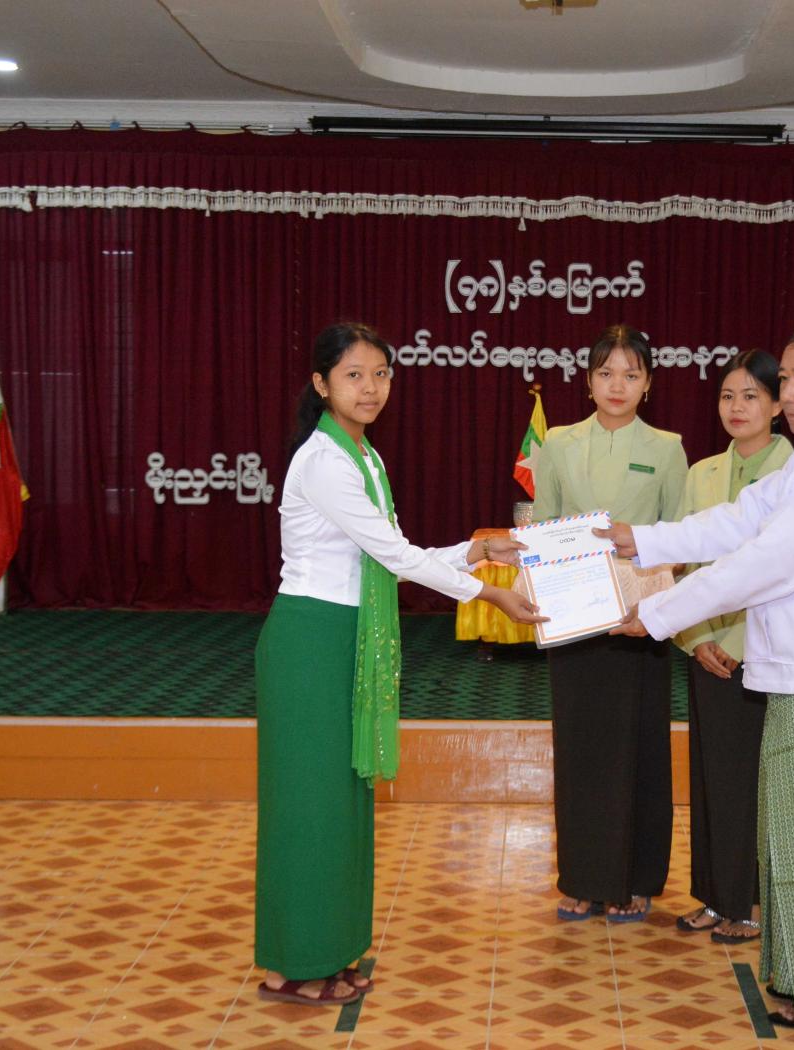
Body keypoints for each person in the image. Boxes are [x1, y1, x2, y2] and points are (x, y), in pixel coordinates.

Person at [600, 322, 794, 1030]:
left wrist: (660, 612)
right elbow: (742, 519)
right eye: (784, 380)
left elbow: (768, 560)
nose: (786, 394)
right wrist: (644, 539)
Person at [255, 322, 542, 1006]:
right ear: (322, 384)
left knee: (344, 803)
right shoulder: (324, 461)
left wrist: (478, 551)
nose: (371, 388)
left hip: (348, 634)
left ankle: (331, 951)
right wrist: (488, 592)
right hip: (311, 642)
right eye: (354, 375)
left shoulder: (364, 455)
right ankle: (293, 965)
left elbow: (393, 553)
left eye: (381, 374)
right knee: (310, 805)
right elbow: (395, 558)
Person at [531, 323, 687, 923]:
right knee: (580, 750)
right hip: (574, 620)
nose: (617, 385)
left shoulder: (668, 448)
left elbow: (679, 539)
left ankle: (636, 879)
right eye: (605, 373)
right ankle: (582, 878)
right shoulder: (558, 443)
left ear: (648, 384)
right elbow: (542, 526)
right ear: (588, 381)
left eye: (630, 374)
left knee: (639, 750)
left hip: (639, 620)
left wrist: (652, 599)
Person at [672, 350, 792, 945]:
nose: (737, 407)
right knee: (710, 777)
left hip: (767, 654)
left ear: (778, 404)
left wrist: (737, 643)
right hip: (705, 650)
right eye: (727, 395)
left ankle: (751, 903)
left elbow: (786, 570)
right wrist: (696, 638)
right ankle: (715, 898)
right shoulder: (701, 473)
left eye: (751, 395)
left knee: (755, 782)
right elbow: (680, 565)